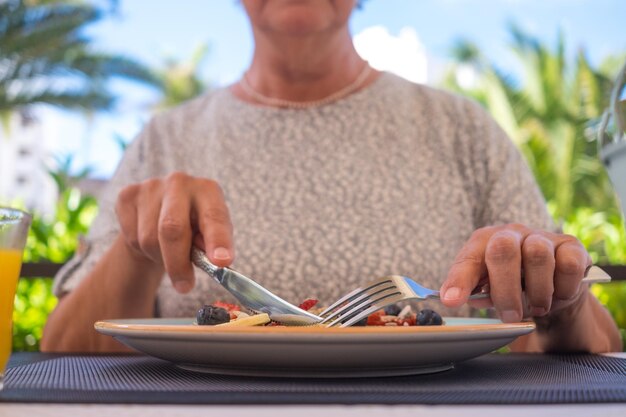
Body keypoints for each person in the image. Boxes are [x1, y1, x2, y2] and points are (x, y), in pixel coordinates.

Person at [41, 0, 621, 353]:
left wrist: (559, 299)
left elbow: (594, 346)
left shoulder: (461, 128)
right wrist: (140, 251)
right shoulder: (163, 140)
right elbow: (63, 353)